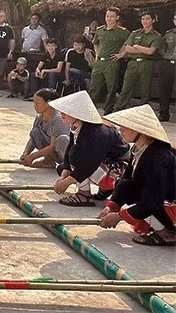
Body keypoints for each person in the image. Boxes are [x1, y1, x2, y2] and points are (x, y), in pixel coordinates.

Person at [98, 104, 176, 246]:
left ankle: (168, 233)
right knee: (125, 184)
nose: (120, 130)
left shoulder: (157, 156)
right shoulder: (138, 149)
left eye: (125, 127)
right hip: (160, 195)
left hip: (170, 200)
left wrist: (119, 216)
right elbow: (127, 180)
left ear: (141, 132)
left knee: (149, 199)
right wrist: (112, 206)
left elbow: (152, 200)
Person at [49, 91, 130, 207]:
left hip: (120, 169)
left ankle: (84, 194)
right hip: (104, 163)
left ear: (77, 114)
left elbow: (89, 163)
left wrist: (66, 182)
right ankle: (104, 188)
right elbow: (70, 149)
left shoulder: (97, 132)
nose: (62, 115)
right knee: (63, 167)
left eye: (65, 113)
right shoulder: (77, 126)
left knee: (77, 159)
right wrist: (63, 176)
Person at [115, 12, 162, 111]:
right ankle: (119, 108)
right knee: (126, 87)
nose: (145, 21)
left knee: (145, 89)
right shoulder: (134, 33)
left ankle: (142, 111)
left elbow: (150, 51)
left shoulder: (156, 36)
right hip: (133, 63)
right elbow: (127, 48)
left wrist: (137, 47)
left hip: (146, 63)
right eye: (143, 19)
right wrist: (142, 49)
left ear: (153, 20)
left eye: (147, 19)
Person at [89, 7, 129, 115]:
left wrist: (121, 54)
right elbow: (95, 43)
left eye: (112, 16)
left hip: (111, 62)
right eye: (107, 16)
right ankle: (90, 108)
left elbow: (128, 44)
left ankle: (108, 110)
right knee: (94, 86)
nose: (109, 19)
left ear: (117, 17)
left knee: (111, 87)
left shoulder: (122, 32)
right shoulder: (99, 30)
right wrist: (97, 54)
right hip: (99, 62)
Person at [20, 89, 70, 168]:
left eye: (37, 103)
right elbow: (32, 139)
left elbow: (53, 146)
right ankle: (48, 161)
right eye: (34, 103)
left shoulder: (58, 119)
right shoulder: (39, 117)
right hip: (53, 152)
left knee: (62, 139)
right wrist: (25, 154)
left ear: (48, 103)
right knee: (35, 132)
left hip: (64, 152)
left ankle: (68, 166)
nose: (34, 106)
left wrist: (32, 157)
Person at [158, 14, 176, 121]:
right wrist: (165, 55)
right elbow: (161, 46)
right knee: (164, 89)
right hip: (168, 63)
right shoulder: (168, 34)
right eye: (175, 19)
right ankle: (164, 114)